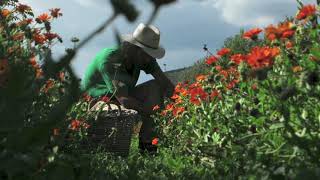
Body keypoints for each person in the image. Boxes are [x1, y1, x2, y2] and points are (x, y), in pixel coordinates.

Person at [81, 23, 175, 153]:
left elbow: (165, 83)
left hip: (120, 97)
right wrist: (152, 112)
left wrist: (184, 104)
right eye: (148, 55)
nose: (150, 60)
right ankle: (111, 153)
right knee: (118, 113)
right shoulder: (110, 58)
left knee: (155, 87)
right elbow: (124, 100)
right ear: (135, 48)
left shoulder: (144, 58)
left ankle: (148, 146)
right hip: (97, 102)